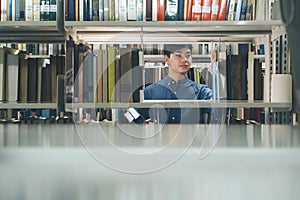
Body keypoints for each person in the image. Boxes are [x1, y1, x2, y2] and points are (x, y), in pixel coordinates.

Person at [130, 44, 213, 124]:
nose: (184, 59)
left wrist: (216, 65)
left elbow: (219, 109)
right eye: (178, 55)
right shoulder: (150, 92)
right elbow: (128, 115)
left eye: (188, 55)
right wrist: (141, 125)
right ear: (167, 59)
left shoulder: (201, 91)